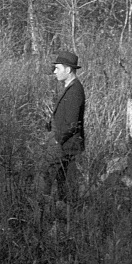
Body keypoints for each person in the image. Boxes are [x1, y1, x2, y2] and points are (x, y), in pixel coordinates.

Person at [40, 50, 86, 208]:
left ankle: (47, 214)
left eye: (57, 68)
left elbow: (72, 123)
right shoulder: (71, 87)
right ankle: (63, 215)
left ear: (68, 69)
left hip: (65, 146)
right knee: (64, 185)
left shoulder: (75, 91)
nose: (54, 72)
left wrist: (57, 139)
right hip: (65, 145)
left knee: (47, 180)